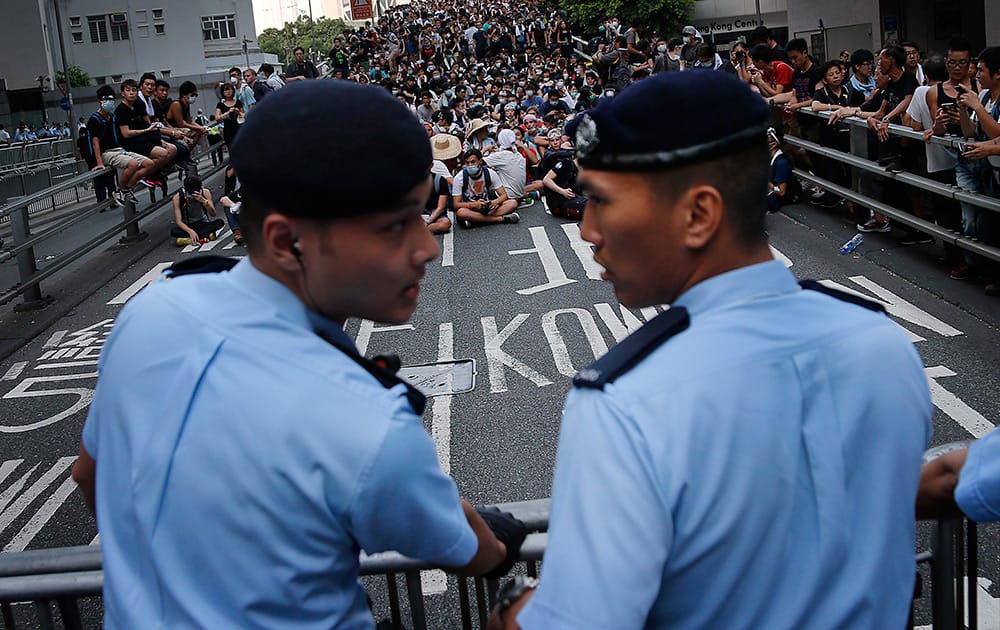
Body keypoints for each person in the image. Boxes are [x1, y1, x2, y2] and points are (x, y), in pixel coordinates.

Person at [71, 79, 526, 628]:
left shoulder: (150, 311)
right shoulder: (364, 416)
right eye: (394, 226)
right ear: (288, 241)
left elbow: (90, 476)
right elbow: (470, 549)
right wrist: (500, 545)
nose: (427, 245)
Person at [488, 70, 932, 629]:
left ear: (698, 214)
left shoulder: (629, 404)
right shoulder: (881, 342)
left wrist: (510, 609)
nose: (588, 230)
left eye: (600, 201)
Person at [169, 174, 225, 246]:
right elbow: (179, 221)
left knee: (219, 222)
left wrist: (204, 201)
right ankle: (205, 236)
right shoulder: (178, 198)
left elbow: (213, 214)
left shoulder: (205, 192)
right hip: (188, 225)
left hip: (202, 223)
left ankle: (188, 240)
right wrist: (191, 231)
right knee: (174, 231)